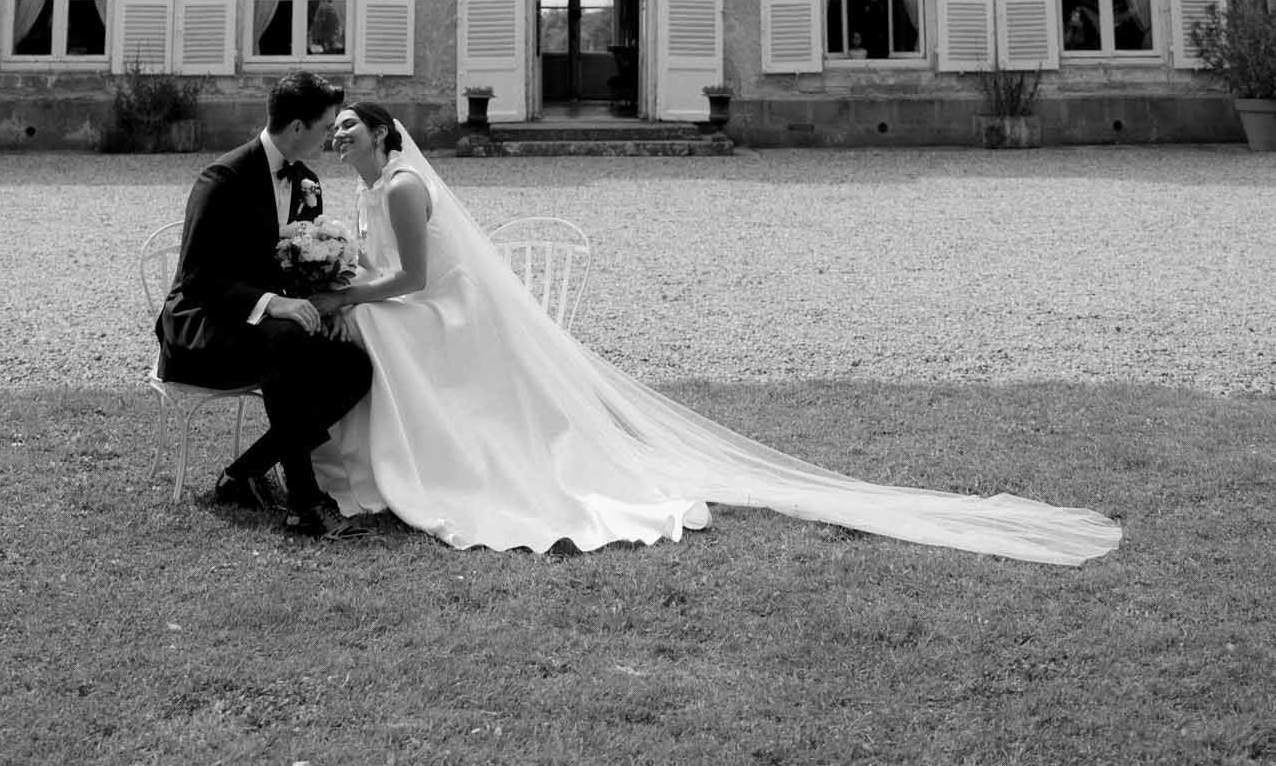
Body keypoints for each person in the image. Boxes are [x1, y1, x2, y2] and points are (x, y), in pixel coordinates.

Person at [308, 101, 1123, 564]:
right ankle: (362, 460)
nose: (340, 137)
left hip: (449, 316)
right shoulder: (368, 188)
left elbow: (413, 282)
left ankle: (408, 464)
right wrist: (345, 282)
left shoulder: (406, 186)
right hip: (421, 305)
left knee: (372, 333)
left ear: (384, 136)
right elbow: (386, 273)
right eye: (334, 130)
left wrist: (350, 297)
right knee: (364, 330)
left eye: (352, 127)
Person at [156, 70, 374, 538]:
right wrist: (272, 303)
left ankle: (245, 472)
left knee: (354, 366)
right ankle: (305, 502)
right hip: (205, 327)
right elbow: (196, 279)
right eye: (325, 127)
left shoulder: (308, 182)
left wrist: (326, 305)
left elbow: (298, 263)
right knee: (288, 343)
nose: (331, 136)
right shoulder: (222, 179)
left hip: (268, 333)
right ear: (297, 128)